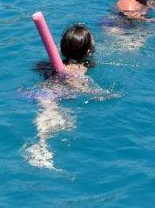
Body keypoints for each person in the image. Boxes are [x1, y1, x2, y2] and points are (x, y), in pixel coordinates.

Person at [25, 24, 99, 169]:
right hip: (54, 94)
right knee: (56, 121)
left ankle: (40, 145)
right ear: (89, 51)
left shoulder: (53, 64)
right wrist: (97, 94)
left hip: (37, 91)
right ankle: (41, 146)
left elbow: (39, 68)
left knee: (48, 118)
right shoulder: (81, 68)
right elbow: (77, 85)